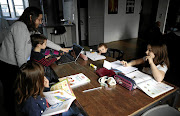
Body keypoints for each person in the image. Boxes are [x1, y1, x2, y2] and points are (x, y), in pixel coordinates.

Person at [0, 6, 70, 115]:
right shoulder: (19, 27)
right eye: (39, 19)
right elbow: (19, 52)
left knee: (20, 91)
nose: (41, 22)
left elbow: (45, 41)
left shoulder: (29, 29)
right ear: (31, 17)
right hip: (9, 65)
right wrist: (31, 74)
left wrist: (60, 48)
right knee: (12, 92)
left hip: (19, 63)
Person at [15, 61, 83, 116]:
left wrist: (46, 87)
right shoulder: (31, 104)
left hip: (53, 109)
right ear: (36, 82)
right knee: (78, 112)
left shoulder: (33, 90)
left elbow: (45, 96)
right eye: (42, 76)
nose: (45, 78)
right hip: (53, 111)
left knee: (76, 109)